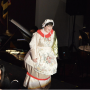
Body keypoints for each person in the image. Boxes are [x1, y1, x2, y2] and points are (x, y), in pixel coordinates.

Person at [23, 19, 58, 89]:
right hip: (38, 53)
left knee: (47, 71)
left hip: (49, 55)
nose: (50, 28)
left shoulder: (53, 33)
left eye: (51, 26)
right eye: (48, 26)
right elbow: (33, 44)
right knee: (37, 71)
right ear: (44, 26)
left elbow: (55, 45)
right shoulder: (37, 34)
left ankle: (44, 87)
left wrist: (55, 55)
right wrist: (34, 56)